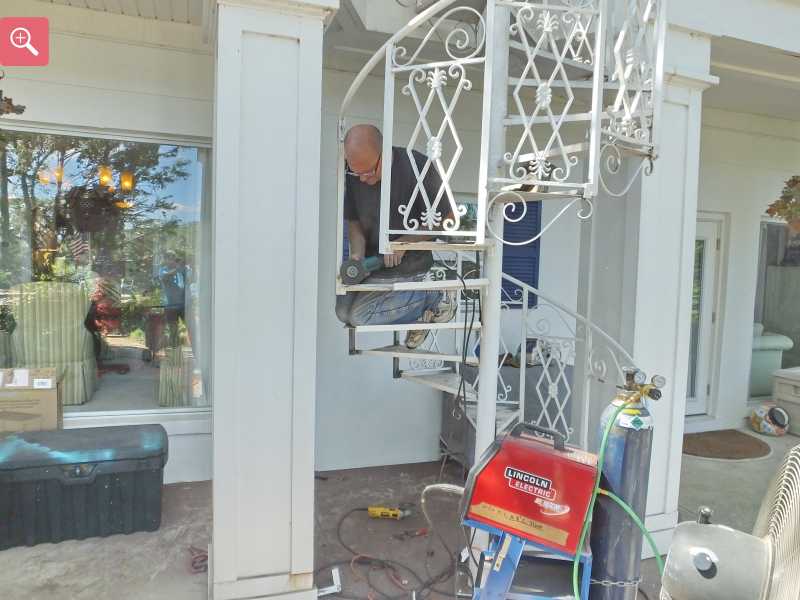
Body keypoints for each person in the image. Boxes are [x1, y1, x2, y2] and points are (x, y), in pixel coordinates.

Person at [335, 124, 456, 349]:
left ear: (384, 154)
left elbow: (447, 219)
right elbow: (354, 221)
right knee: (342, 312)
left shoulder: (417, 166)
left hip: (411, 268)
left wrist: (405, 242)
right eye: (356, 172)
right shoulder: (354, 173)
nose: (361, 179)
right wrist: (357, 255)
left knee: (360, 318)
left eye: (369, 172)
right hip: (375, 266)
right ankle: (419, 313)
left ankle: (433, 296)